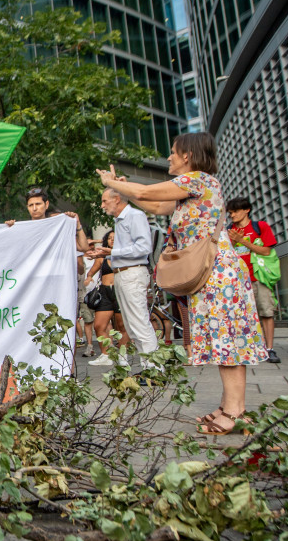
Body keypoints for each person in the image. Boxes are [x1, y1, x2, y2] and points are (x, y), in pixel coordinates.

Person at [98, 133, 267, 433]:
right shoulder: (191, 190)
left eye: (173, 152)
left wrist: (112, 184)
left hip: (218, 274)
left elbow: (148, 193)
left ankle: (236, 411)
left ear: (187, 155)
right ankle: (230, 405)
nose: (169, 158)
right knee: (220, 340)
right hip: (211, 274)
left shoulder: (198, 180)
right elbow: (154, 205)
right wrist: (126, 191)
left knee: (226, 342)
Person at [88, 187, 157, 361]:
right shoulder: (120, 220)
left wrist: (113, 251)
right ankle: (149, 368)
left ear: (117, 199)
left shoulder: (135, 216)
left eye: (105, 201)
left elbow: (143, 247)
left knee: (139, 324)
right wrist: (108, 254)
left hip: (132, 273)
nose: (102, 205)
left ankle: (155, 370)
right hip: (123, 274)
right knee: (131, 326)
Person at [226, 197, 281, 364]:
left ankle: (269, 348)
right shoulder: (229, 230)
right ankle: (249, 348)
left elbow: (266, 250)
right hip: (238, 280)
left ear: (246, 210)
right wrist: (232, 241)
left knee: (266, 312)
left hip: (258, 277)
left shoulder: (260, 227)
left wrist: (242, 241)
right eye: (230, 212)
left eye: (235, 211)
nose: (232, 215)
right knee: (242, 315)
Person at [87, 232, 130, 366]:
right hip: (105, 292)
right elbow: (91, 272)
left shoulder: (124, 256)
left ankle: (123, 355)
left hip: (120, 291)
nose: (112, 240)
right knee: (99, 325)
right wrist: (88, 278)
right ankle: (106, 354)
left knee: (121, 325)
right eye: (109, 238)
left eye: (115, 238)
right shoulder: (102, 258)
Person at [1, 187, 90, 250]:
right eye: (31, 205)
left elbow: (84, 247)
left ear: (46, 204)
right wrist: (8, 230)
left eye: (38, 204)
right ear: (27, 207)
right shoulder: (22, 229)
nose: (34, 208)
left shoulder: (58, 227)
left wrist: (78, 224)